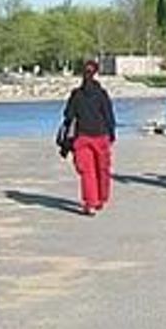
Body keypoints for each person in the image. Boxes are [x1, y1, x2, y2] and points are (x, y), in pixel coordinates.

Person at [62, 60, 116, 216]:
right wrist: (112, 134)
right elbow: (109, 116)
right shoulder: (102, 94)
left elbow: (68, 116)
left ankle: (90, 203)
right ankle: (101, 198)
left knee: (87, 172)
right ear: (96, 73)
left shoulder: (76, 94)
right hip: (101, 136)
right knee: (102, 170)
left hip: (82, 136)